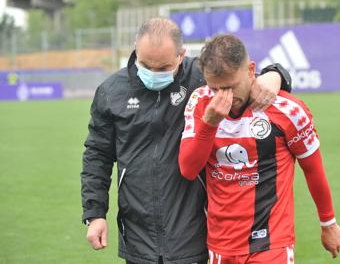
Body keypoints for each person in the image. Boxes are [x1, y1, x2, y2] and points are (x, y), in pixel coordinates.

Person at [81, 17, 293, 264]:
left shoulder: (201, 78)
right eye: (145, 65)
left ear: (181, 55)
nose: (152, 74)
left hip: (194, 232)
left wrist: (275, 75)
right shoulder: (111, 92)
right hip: (137, 232)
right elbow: (97, 154)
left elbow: (243, 78)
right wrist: (95, 213)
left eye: (162, 68)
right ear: (136, 52)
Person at [179, 34, 340, 263]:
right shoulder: (200, 102)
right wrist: (208, 125)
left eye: (230, 86)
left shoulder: (288, 109)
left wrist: (328, 223)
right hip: (220, 244)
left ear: (251, 70)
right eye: (215, 88)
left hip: (272, 243)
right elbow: (188, 169)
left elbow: (313, 168)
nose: (223, 96)